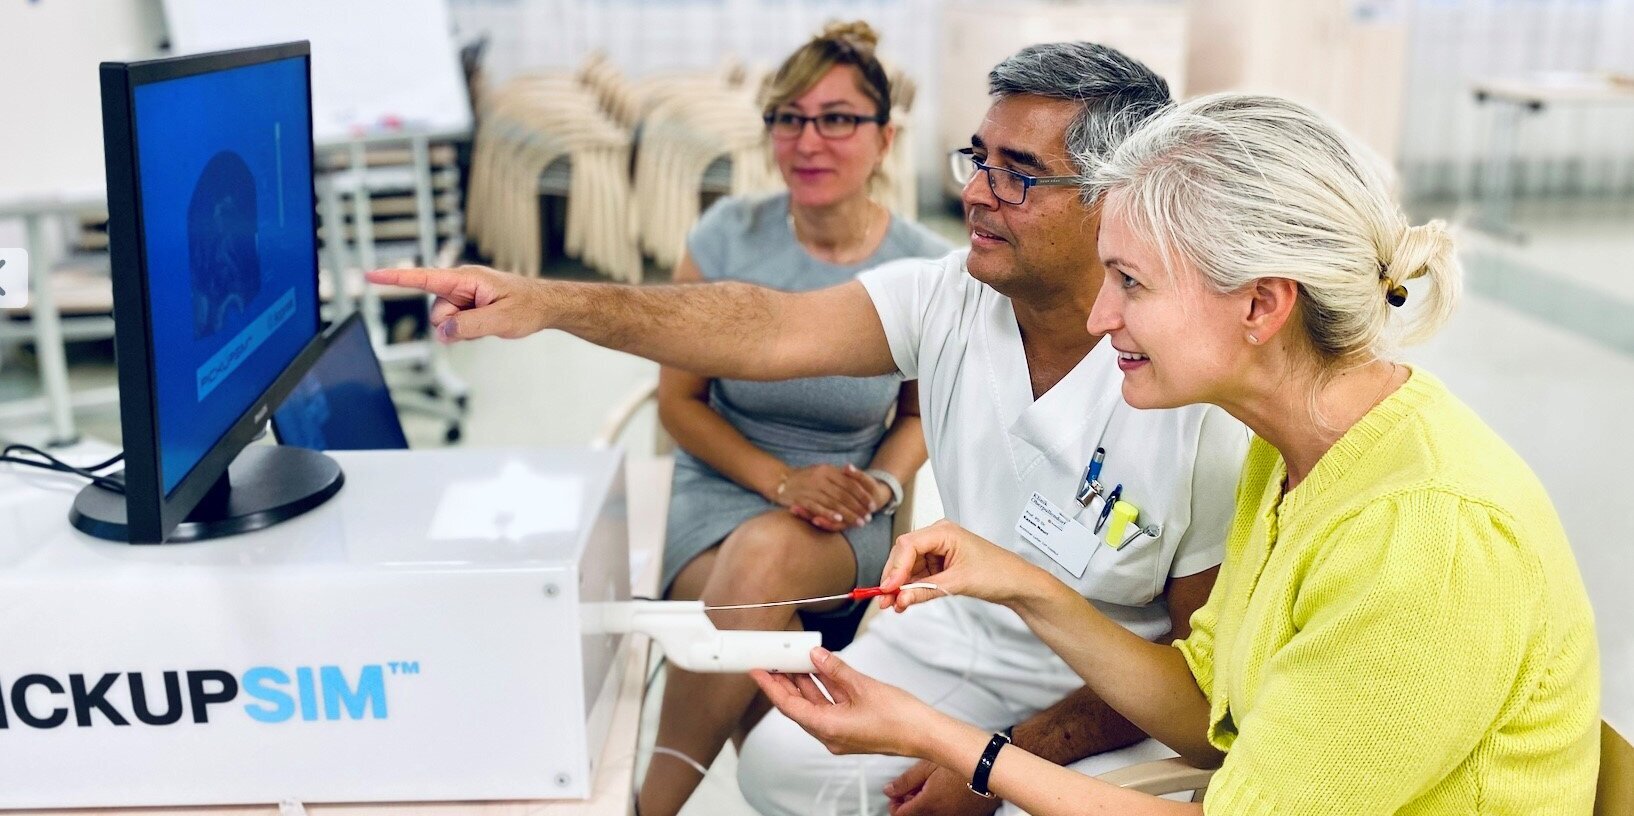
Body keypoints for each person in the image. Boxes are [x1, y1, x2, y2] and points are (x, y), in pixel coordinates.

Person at [368, 42, 1250, 816]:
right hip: (958, 637)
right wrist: (550, 303)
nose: (977, 193)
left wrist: (1004, 762)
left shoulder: (1195, 388)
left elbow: (1201, 684)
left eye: (1017, 172)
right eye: (976, 159)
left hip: (1101, 697)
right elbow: (760, 327)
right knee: (782, 767)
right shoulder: (945, 293)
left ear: (1115, 197)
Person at [752, 93, 1602, 815]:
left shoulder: (1423, 541)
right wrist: (1020, 582)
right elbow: (1205, 712)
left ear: (1262, 305)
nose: (1099, 318)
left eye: (1132, 282)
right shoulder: (1296, 452)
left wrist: (940, 738)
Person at [641, 21, 949, 816]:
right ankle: (774, 794)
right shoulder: (723, 238)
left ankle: (649, 805)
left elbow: (916, 416)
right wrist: (780, 482)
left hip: (844, 508)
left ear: (884, 138)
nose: (809, 140)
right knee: (757, 610)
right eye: (790, 118)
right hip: (719, 490)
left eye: (838, 118)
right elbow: (678, 402)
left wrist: (880, 481)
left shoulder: (923, 265)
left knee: (764, 571)